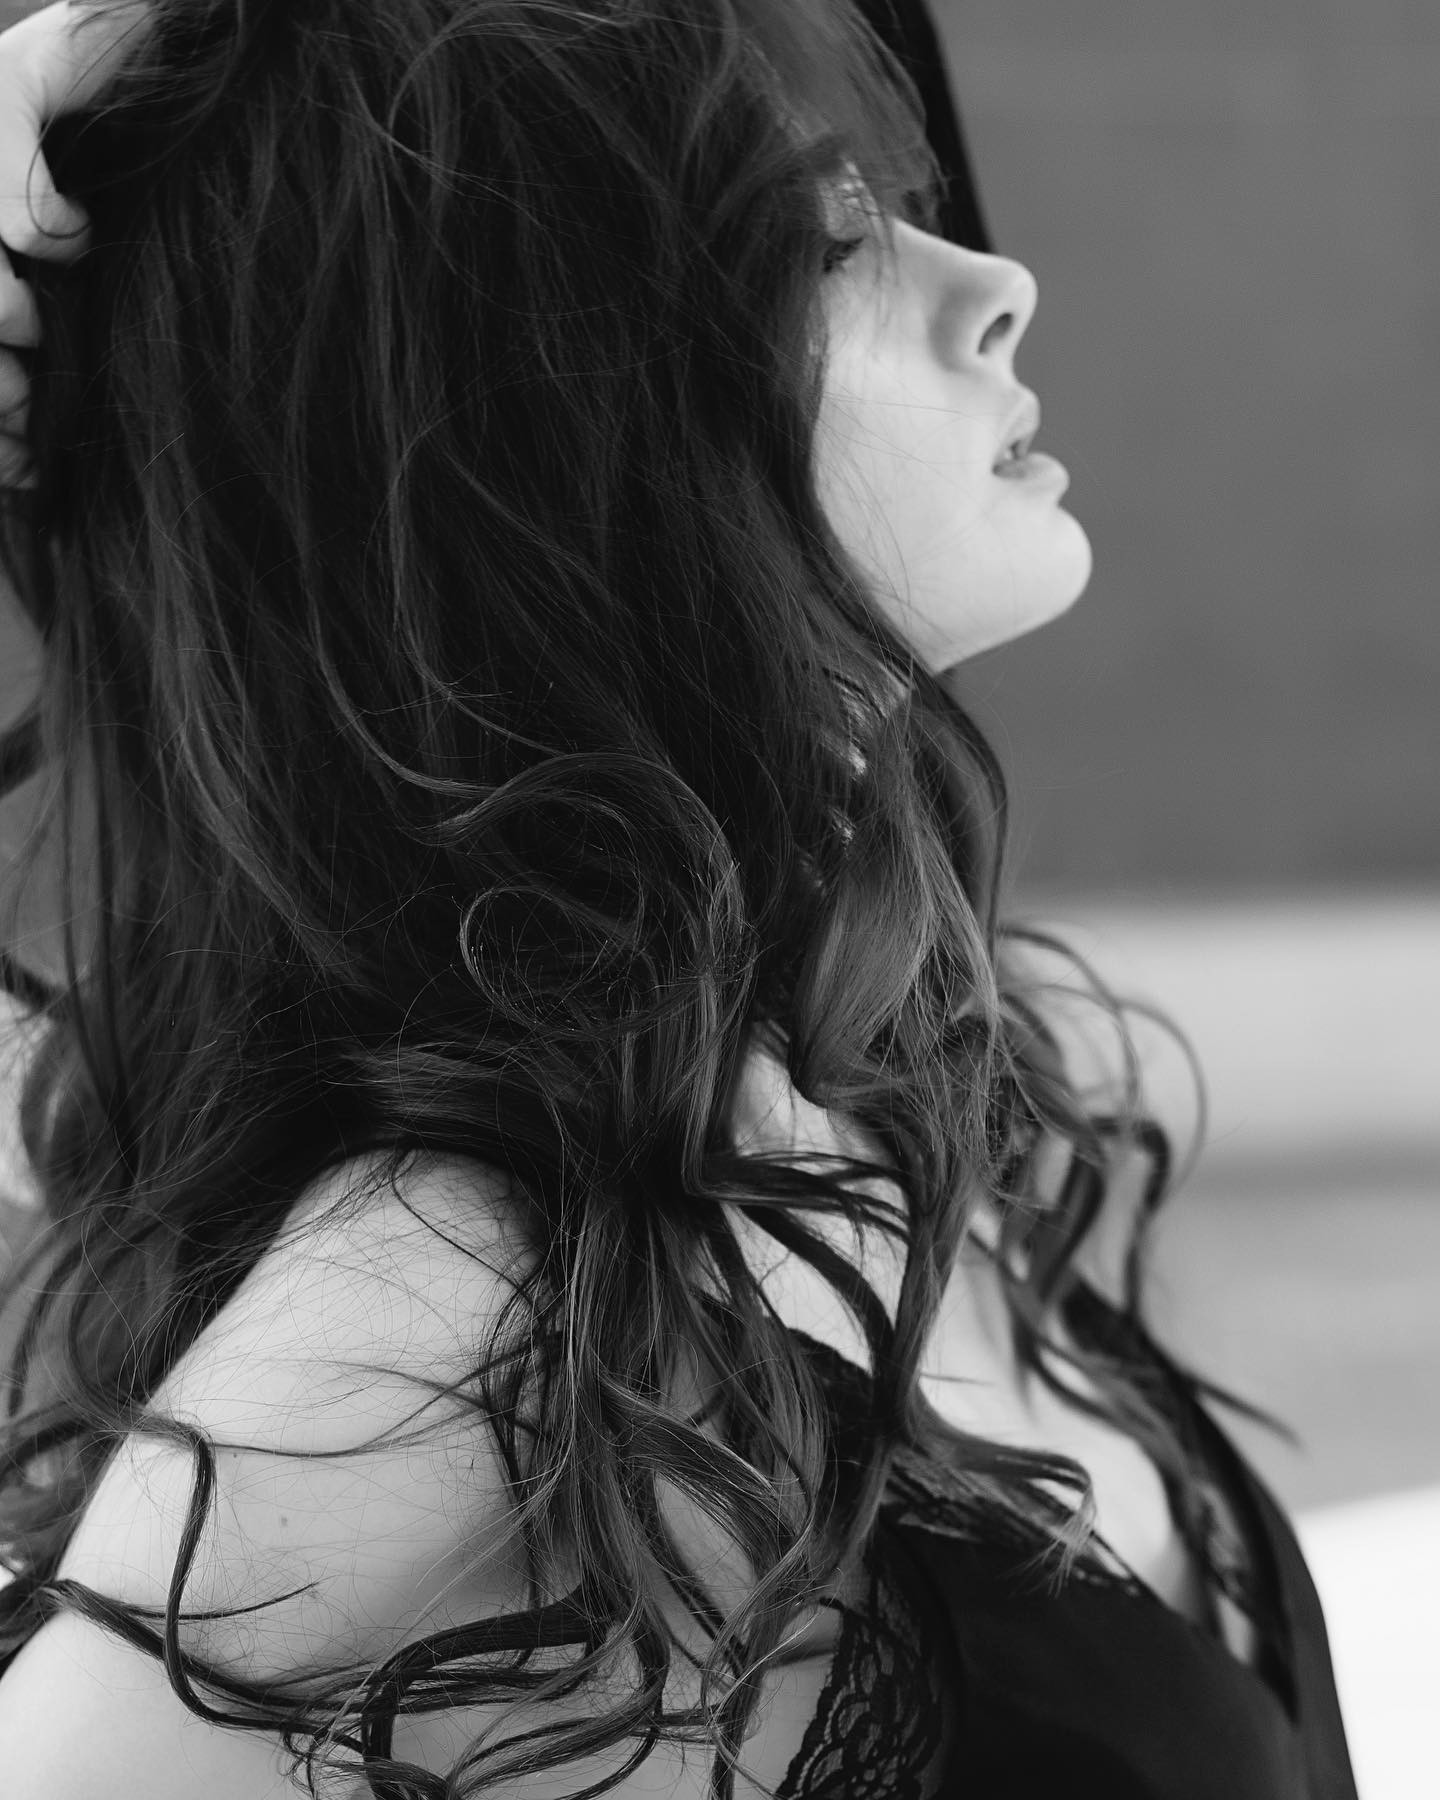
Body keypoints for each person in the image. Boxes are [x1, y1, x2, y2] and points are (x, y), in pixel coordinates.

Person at [0, 4, 1357, 1797]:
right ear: (543, 419)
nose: (996, 286)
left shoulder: (889, 1049)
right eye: (831, 239)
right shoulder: (453, 1299)